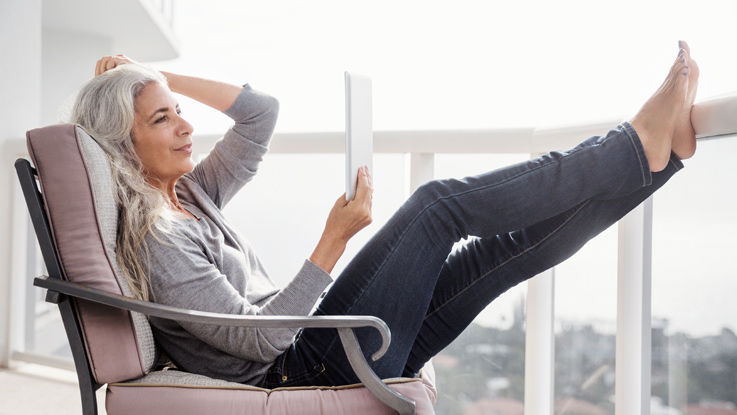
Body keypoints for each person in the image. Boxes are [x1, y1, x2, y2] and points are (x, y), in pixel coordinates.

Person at [70, 41, 699, 388]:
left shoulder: (191, 192)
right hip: (303, 369)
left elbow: (260, 113)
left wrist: (148, 74)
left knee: (490, 257)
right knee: (436, 208)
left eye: (177, 109)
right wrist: (330, 243)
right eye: (161, 118)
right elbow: (261, 339)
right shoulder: (158, 238)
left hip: (326, 346)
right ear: (125, 146)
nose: (185, 125)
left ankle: (653, 162)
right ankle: (631, 148)